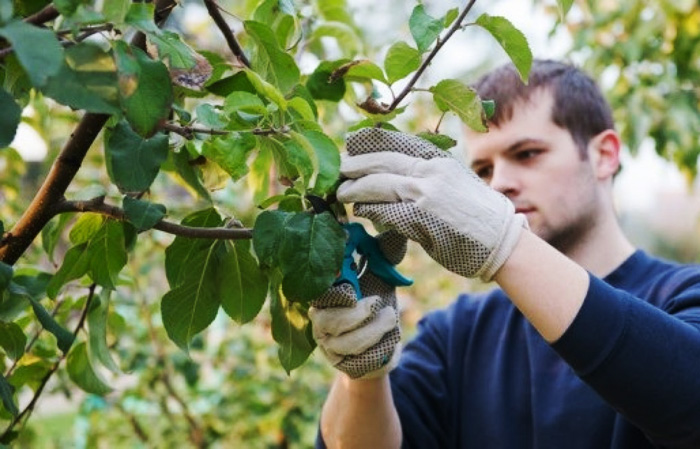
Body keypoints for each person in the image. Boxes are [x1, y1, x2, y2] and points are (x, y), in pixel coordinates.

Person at [309, 59, 700, 449]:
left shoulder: (683, 295)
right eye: (481, 170)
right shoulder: (456, 334)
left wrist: (506, 243)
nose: (499, 184)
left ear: (605, 155)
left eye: (527, 153)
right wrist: (364, 375)